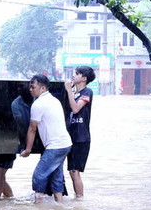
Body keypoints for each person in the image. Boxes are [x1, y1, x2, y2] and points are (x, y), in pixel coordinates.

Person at [20, 74, 72, 202]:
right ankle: (59, 205)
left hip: (56, 145)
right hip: (65, 144)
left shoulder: (38, 104)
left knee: (39, 175)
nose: (30, 89)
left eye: (33, 87)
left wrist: (27, 150)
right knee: (56, 175)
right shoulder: (54, 100)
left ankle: (39, 206)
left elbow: (32, 128)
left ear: (42, 88)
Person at [64, 66, 95, 198]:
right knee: (72, 171)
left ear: (84, 78)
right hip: (71, 136)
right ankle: (77, 200)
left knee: (75, 171)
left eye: (77, 74)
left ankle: (79, 200)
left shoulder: (87, 92)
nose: (73, 76)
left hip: (81, 137)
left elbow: (76, 109)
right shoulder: (74, 93)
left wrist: (68, 91)